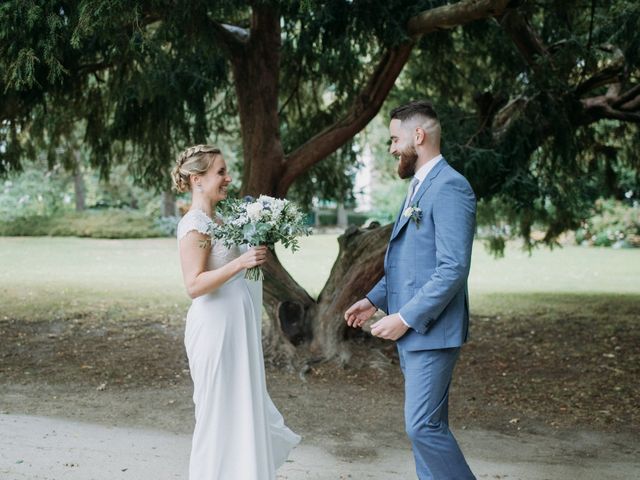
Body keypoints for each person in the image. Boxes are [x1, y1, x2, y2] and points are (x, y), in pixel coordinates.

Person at [345, 101, 476, 479]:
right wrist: (373, 300)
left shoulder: (450, 187)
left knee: (423, 427)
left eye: (394, 139)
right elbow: (409, 263)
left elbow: (453, 268)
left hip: (432, 331)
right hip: (417, 334)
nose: (391, 148)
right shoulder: (420, 186)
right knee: (426, 430)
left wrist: (404, 317)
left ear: (418, 136)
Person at [172, 145, 300, 479]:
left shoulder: (221, 220)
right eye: (220, 173)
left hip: (238, 329)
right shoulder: (195, 225)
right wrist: (242, 262)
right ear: (197, 179)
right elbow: (194, 284)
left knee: (241, 411)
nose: (229, 178)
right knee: (218, 414)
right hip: (215, 332)